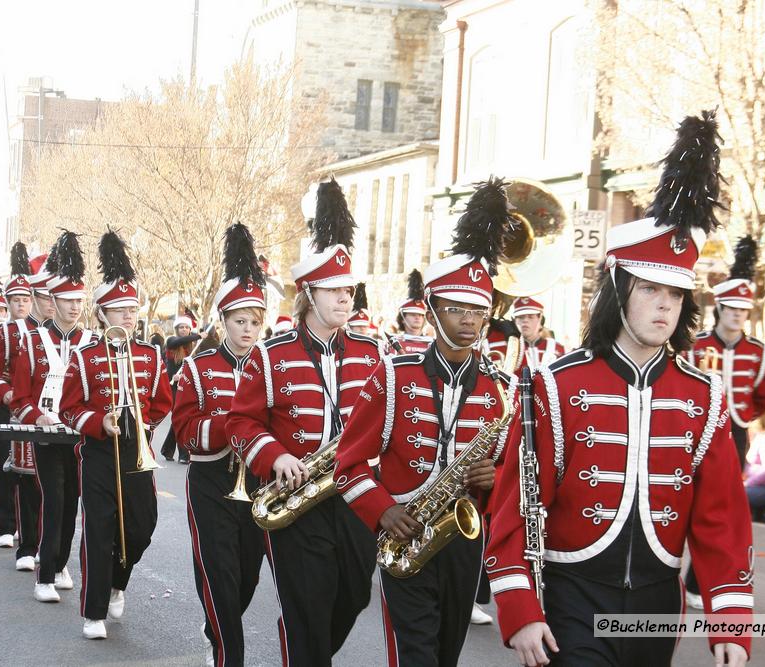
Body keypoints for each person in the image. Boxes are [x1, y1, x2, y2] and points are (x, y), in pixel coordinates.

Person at [485, 111, 753, 667]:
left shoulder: (704, 397)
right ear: (619, 291)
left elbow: (722, 518)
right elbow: (518, 503)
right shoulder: (556, 385)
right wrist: (520, 604)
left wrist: (730, 622)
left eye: (675, 295)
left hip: (657, 604)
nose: (664, 304)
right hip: (571, 598)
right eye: (650, 288)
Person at [334, 178, 512, 667]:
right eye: (457, 308)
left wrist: (493, 479)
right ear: (432, 312)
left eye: (479, 309)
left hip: (462, 540)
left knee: (446, 655)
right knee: (415, 656)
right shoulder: (392, 374)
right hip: (404, 529)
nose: (471, 320)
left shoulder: (501, 388)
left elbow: (514, 478)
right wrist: (381, 511)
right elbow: (347, 464)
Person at [227, 179, 384, 666]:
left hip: (356, 496)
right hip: (299, 498)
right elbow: (241, 423)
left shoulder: (375, 353)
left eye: (349, 289)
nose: (345, 298)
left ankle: (302, 650)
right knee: (308, 605)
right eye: (335, 290)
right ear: (308, 294)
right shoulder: (272, 354)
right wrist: (278, 457)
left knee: (355, 595)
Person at [60, 229, 172, 640]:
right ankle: (93, 613)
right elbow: (68, 408)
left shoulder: (152, 355)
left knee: (142, 526)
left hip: (135, 446)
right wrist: (96, 423)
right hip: (97, 450)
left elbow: (163, 400)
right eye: (121, 310)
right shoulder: (84, 357)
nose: (129, 316)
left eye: (133, 309)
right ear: (103, 315)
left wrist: (146, 424)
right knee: (99, 525)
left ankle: (117, 582)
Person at [172, 223, 267, 664]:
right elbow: (185, 428)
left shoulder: (274, 365)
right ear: (223, 322)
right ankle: (229, 653)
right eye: (240, 321)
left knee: (246, 574)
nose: (248, 329)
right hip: (212, 481)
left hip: (258, 486)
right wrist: (231, 427)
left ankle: (218, 626)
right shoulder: (198, 366)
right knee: (219, 573)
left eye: (255, 321)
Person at [10, 232, 94, 602]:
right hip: (47, 436)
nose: (74, 307)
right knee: (54, 501)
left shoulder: (92, 341)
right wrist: (37, 417)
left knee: (74, 502)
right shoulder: (31, 340)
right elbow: (20, 396)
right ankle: (44, 575)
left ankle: (60, 564)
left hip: (81, 437)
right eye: (67, 300)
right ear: (52, 301)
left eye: (79, 301)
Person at [0, 243, 45, 559]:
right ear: (8, 303)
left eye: (26, 300)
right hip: (4, 407)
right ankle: (6, 526)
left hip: (33, 410)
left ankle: (32, 530)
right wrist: (6, 392)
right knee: (7, 465)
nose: (21, 305)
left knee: (33, 470)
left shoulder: (43, 333)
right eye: (15, 301)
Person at [689, 235, 765, 468]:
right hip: (699, 427)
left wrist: (745, 417)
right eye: (732, 309)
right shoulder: (695, 345)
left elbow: (762, 396)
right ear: (720, 308)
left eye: (743, 310)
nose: (738, 315)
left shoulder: (758, 350)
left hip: (738, 428)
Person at [163, 314, 202, 463]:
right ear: (177, 329)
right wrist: (198, 335)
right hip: (173, 386)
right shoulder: (172, 341)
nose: (184, 330)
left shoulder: (193, 347)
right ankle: (184, 455)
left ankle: (167, 449)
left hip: (187, 386)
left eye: (186, 327)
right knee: (181, 419)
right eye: (181, 327)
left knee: (179, 420)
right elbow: (181, 341)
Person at [511, 297, 566, 373]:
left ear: (540, 319)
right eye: (520, 317)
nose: (525, 321)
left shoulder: (557, 348)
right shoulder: (511, 348)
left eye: (531, 317)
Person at [387, 268, 432, 355]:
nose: (417, 317)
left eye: (420, 315)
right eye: (412, 314)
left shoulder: (432, 344)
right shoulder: (393, 343)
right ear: (403, 318)